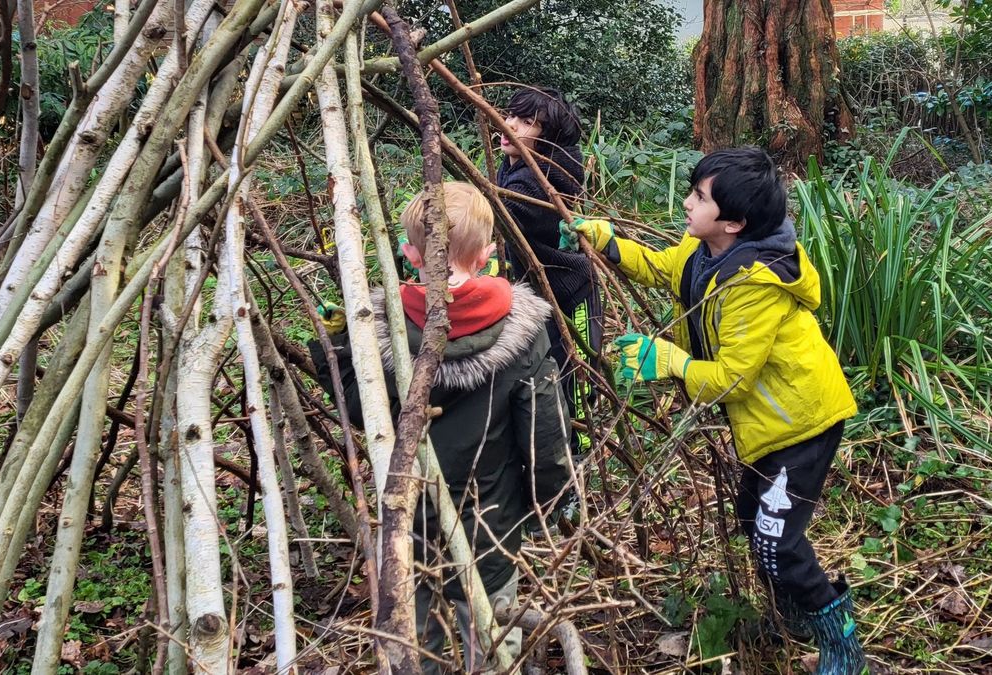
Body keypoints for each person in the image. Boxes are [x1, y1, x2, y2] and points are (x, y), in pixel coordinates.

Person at [565, 147, 867, 674]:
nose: (685, 203)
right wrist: (609, 243)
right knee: (754, 522)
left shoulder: (755, 284)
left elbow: (730, 379)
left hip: (801, 423)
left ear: (733, 221)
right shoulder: (701, 247)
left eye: (698, 197)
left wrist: (671, 361)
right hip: (767, 426)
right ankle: (795, 612)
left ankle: (840, 640)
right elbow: (665, 270)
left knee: (777, 540)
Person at [309, 181, 572, 674]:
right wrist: (549, 502)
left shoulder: (380, 326)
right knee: (491, 639)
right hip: (490, 522)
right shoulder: (527, 331)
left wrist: (340, 345)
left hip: (408, 518)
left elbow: (360, 403)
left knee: (417, 639)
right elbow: (543, 433)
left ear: (409, 253)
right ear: (490, 254)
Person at [497, 86, 600, 455]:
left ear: (548, 141)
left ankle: (579, 451)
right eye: (510, 115)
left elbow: (499, 215)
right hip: (534, 289)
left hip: (569, 288)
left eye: (527, 123)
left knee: (571, 368)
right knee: (540, 363)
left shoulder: (542, 182)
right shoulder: (514, 165)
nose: (509, 125)